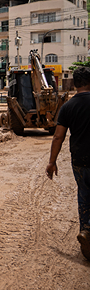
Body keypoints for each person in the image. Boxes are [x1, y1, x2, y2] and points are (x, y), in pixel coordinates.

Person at [46, 66, 90, 261]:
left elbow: (58, 137)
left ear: (75, 83)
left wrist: (52, 162)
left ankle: (86, 233)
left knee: (84, 196)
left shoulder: (68, 107)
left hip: (80, 160)